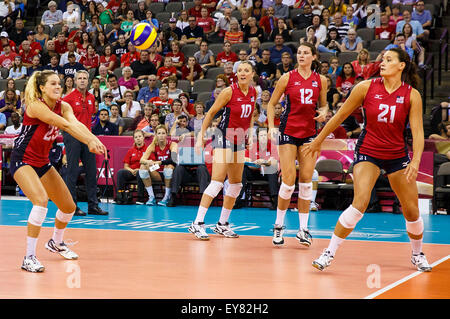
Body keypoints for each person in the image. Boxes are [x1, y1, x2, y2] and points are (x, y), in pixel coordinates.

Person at [305, 48, 432, 273]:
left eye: (389, 60)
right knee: (360, 203)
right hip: (368, 151)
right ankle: (329, 252)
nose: (382, 63)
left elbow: (419, 133)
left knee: (411, 210)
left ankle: (417, 254)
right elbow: (340, 116)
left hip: (397, 155)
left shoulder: (412, 95)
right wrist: (318, 140)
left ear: (401, 66)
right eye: (382, 59)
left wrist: (415, 161)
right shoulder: (365, 87)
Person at [10, 70, 106, 272]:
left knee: (68, 206)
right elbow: (63, 124)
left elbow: (76, 123)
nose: (57, 87)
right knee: (41, 201)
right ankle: (28, 257)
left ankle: (56, 242)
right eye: (52, 84)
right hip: (22, 160)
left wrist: (95, 139)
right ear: (42, 87)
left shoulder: (64, 105)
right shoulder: (35, 106)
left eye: (59, 84)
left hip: (42, 162)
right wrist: (89, 140)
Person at [267, 42, 328, 247]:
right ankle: (278, 226)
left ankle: (303, 230)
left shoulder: (321, 80)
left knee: (305, 182)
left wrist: (324, 112)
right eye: (299, 53)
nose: (301, 56)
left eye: (305, 53)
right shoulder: (287, 77)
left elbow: (324, 104)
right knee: (288, 181)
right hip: (288, 131)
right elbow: (271, 103)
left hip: (310, 133)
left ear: (313, 57)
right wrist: (270, 126)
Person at [188, 61, 257, 240]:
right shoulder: (228, 92)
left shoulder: (253, 92)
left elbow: (249, 117)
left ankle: (222, 224)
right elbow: (210, 113)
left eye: (246, 70)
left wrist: (250, 134)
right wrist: (200, 137)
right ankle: (197, 223)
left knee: (236, 185)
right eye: (240, 70)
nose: (242, 73)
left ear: (252, 74)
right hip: (222, 136)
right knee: (217, 182)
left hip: (239, 138)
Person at [62, 70, 108, 216]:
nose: (82, 80)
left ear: (88, 81)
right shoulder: (67, 98)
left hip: (88, 138)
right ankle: (72, 207)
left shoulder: (91, 98)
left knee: (91, 171)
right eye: (79, 78)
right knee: (72, 172)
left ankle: (93, 206)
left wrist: (92, 138)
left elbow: (89, 119)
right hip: (72, 137)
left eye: (84, 78)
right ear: (75, 81)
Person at [139, 124, 177, 206]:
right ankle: (151, 197)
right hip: (158, 171)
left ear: (167, 134)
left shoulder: (172, 144)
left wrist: (160, 162)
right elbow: (142, 160)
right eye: (159, 133)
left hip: (171, 172)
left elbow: (174, 159)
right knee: (142, 167)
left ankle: (167, 197)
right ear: (156, 135)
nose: (161, 136)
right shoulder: (153, 145)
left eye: (163, 133)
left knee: (169, 167)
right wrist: (148, 162)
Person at [116, 129, 148, 203]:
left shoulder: (148, 150)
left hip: (143, 171)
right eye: (136, 137)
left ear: (143, 137)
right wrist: (132, 170)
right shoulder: (131, 150)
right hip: (132, 171)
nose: (138, 138)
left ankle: (140, 198)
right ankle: (120, 196)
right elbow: (126, 166)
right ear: (134, 139)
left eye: (140, 136)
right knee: (121, 172)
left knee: (140, 173)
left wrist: (139, 170)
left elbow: (152, 163)